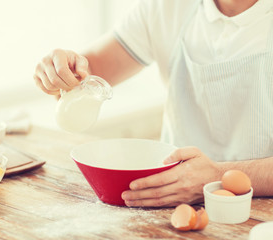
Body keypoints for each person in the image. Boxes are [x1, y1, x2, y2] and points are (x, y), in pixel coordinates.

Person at [33, 0, 273, 207]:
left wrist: (217, 177)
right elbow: (86, 74)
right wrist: (60, 70)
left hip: (262, 209)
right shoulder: (166, 7)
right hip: (166, 202)